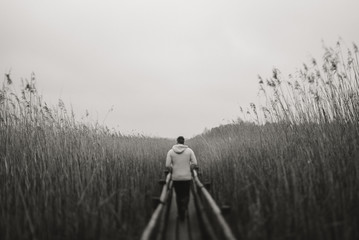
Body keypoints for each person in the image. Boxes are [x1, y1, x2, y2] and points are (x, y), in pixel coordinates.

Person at [166, 136, 198, 221]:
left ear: (177, 142)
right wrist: (189, 169)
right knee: (186, 194)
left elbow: (167, 165)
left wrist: (172, 171)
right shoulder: (189, 151)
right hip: (187, 177)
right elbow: (194, 163)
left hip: (176, 178)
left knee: (178, 195)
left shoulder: (171, 152)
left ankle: (181, 214)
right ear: (184, 142)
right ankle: (184, 206)